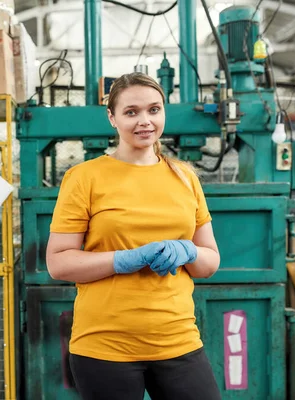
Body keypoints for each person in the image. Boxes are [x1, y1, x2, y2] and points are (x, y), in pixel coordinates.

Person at [46, 72, 221, 400]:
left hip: (177, 339)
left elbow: (209, 261)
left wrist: (189, 252)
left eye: (154, 110)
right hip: (105, 345)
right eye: (131, 112)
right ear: (112, 118)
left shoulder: (185, 178)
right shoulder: (84, 178)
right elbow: (58, 262)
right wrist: (124, 259)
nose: (145, 121)